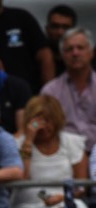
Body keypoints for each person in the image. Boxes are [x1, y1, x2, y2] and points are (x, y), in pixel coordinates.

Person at [12, 94, 89, 208]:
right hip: (29, 207)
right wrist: (28, 141)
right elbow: (22, 177)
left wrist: (63, 197)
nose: (43, 127)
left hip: (64, 201)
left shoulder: (73, 143)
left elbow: (81, 187)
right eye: (38, 122)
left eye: (47, 121)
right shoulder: (17, 144)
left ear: (57, 120)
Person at [41, 28, 96, 156]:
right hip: (64, 157)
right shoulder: (50, 91)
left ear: (91, 52)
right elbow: (42, 127)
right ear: (61, 55)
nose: (75, 53)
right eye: (69, 49)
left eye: (80, 48)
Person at [43, 4, 78, 76]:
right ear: (47, 29)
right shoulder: (38, 61)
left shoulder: (82, 61)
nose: (60, 32)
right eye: (55, 27)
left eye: (66, 27)